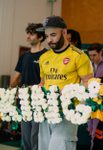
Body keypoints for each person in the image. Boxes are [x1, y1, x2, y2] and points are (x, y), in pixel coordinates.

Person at [38, 16, 93, 150]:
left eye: (53, 35)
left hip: (67, 113)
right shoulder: (44, 57)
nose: (49, 40)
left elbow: (89, 83)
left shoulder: (79, 56)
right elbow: (42, 83)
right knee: (44, 146)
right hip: (46, 110)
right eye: (46, 36)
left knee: (60, 145)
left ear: (64, 32)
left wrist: (77, 104)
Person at [10, 23, 47, 150]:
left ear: (41, 37)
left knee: (35, 137)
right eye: (28, 33)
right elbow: (15, 78)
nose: (28, 36)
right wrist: (13, 87)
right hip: (24, 101)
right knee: (25, 138)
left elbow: (48, 80)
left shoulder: (47, 56)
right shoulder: (24, 56)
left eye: (31, 34)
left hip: (39, 101)